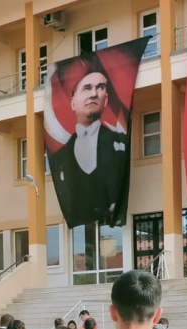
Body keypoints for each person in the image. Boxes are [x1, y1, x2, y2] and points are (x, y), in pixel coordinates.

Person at [49, 59, 130, 226]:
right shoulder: (59, 158)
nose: (94, 94)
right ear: (72, 102)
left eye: (100, 88)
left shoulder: (121, 144)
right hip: (81, 230)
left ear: (106, 100)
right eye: (87, 88)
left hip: (111, 224)